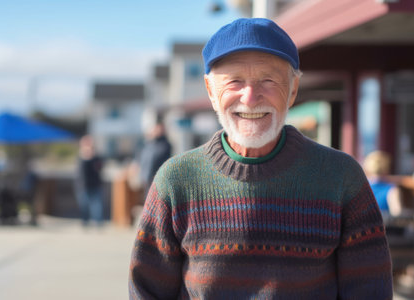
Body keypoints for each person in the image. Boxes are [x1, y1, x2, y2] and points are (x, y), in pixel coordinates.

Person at [129, 18, 392, 299]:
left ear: (292, 90)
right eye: (234, 81)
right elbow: (147, 291)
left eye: (268, 80)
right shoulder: (176, 179)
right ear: (210, 91)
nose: (251, 97)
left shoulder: (342, 177)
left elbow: (370, 291)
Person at [76, 135, 104, 227]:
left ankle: (98, 222)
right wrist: (85, 157)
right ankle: (85, 222)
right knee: (84, 206)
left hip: (95, 185)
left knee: (96, 206)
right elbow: (80, 172)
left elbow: (100, 168)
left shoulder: (96, 157)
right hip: (83, 185)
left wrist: (92, 157)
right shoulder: (80, 157)